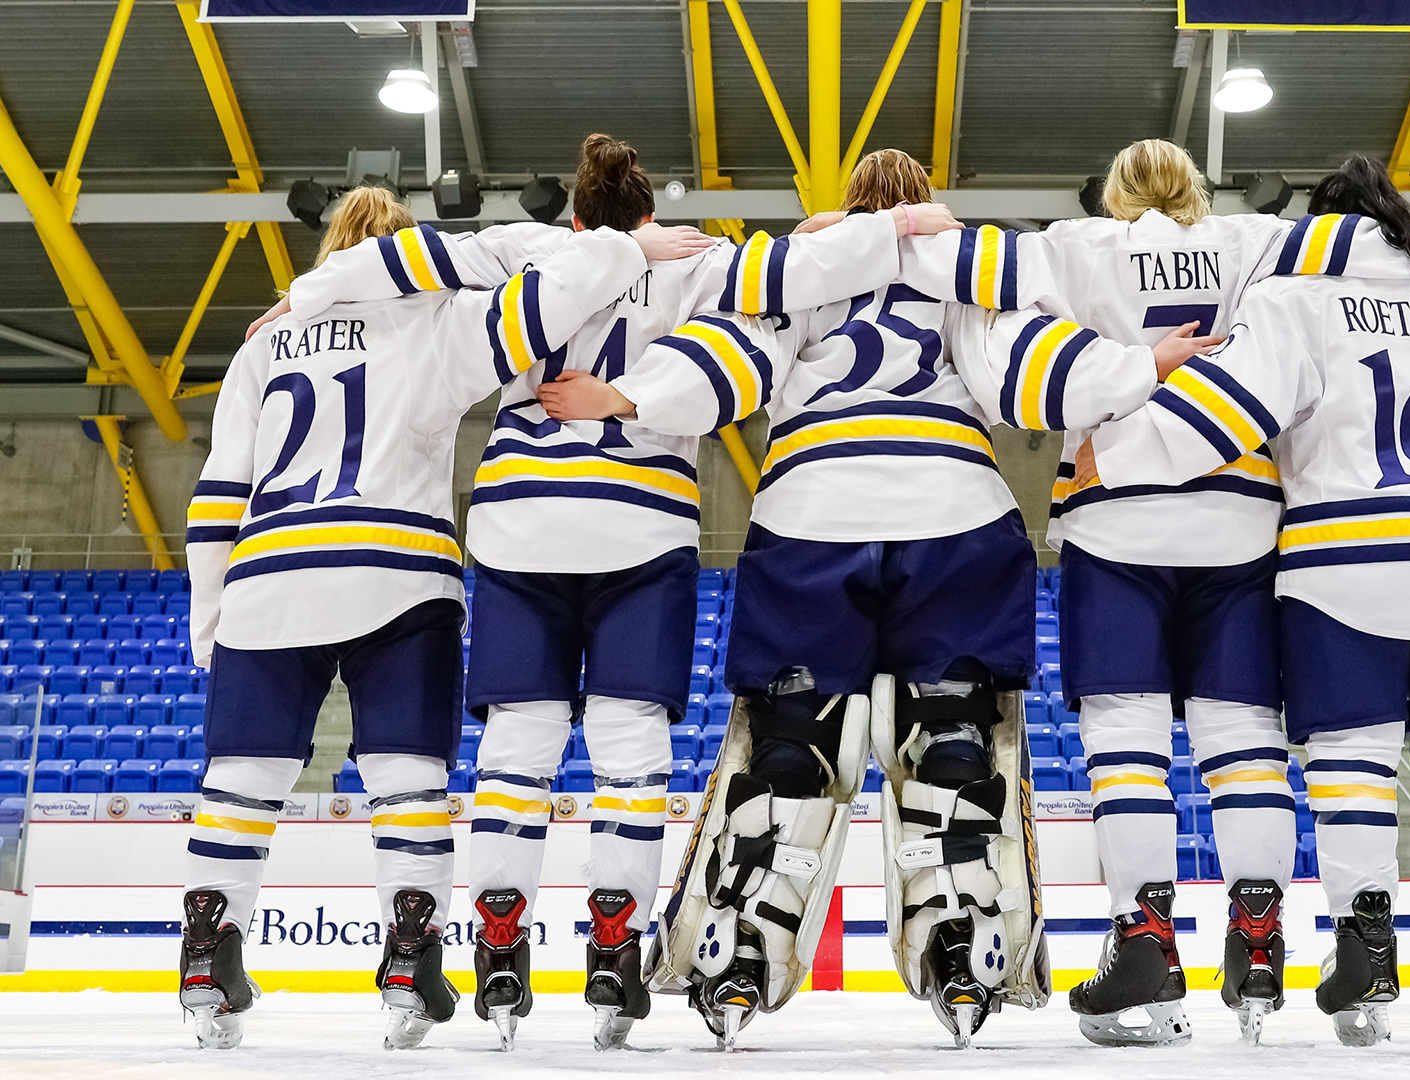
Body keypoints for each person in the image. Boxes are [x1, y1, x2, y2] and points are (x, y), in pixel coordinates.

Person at [263, 133, 961, 1051]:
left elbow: (401, 256)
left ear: (580, 213)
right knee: (629, 751)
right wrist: (897, 221)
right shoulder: (703, 261)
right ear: (648, 213)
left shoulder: (533, 248)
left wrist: (296, 300)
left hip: (519, 521)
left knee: (519, 743)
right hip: (642, 525)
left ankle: (503, 942)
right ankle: (614, 948)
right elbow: (800, 268)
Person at [539, 148, 1218, 1050]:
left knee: (789, 749)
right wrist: (1139, 367)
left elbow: (728, 363)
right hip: (959, 518)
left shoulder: (805, 270)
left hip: (811, 515)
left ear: (849, 208)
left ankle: (737, 942)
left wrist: (624, 396)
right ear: (928, 208)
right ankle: (963, 932)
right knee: (953, 749)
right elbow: (1029, 372)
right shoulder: (965, 275)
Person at [180, 184, 699, 1051]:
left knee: (241, 784)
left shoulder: (263, 344)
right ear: (410, 254)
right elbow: (554, 288)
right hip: (398, 571)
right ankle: (410, 960)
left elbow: (218, 492)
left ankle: (206, 954)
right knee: (407, 783)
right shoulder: (442, 323)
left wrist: (209, 612)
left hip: (266, 576)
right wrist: (631, 247)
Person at [1072, 155, 1410, 1046]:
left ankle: (1365, 951)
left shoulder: (1297, 299)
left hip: (1345, 559)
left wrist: (1122, 454)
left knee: (1351, 762)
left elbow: (1230, 409)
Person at [888, 138, 1299, 1046]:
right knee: (1244, 739)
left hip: (1116, 517)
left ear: (1113, 193)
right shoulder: (1253, 244)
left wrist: (905, 217)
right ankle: (1260, 937)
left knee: (1127, 741)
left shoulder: (1075, 246)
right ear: (1195, 189)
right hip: (1242, 518)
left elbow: (960, 259)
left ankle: (1144, 940)